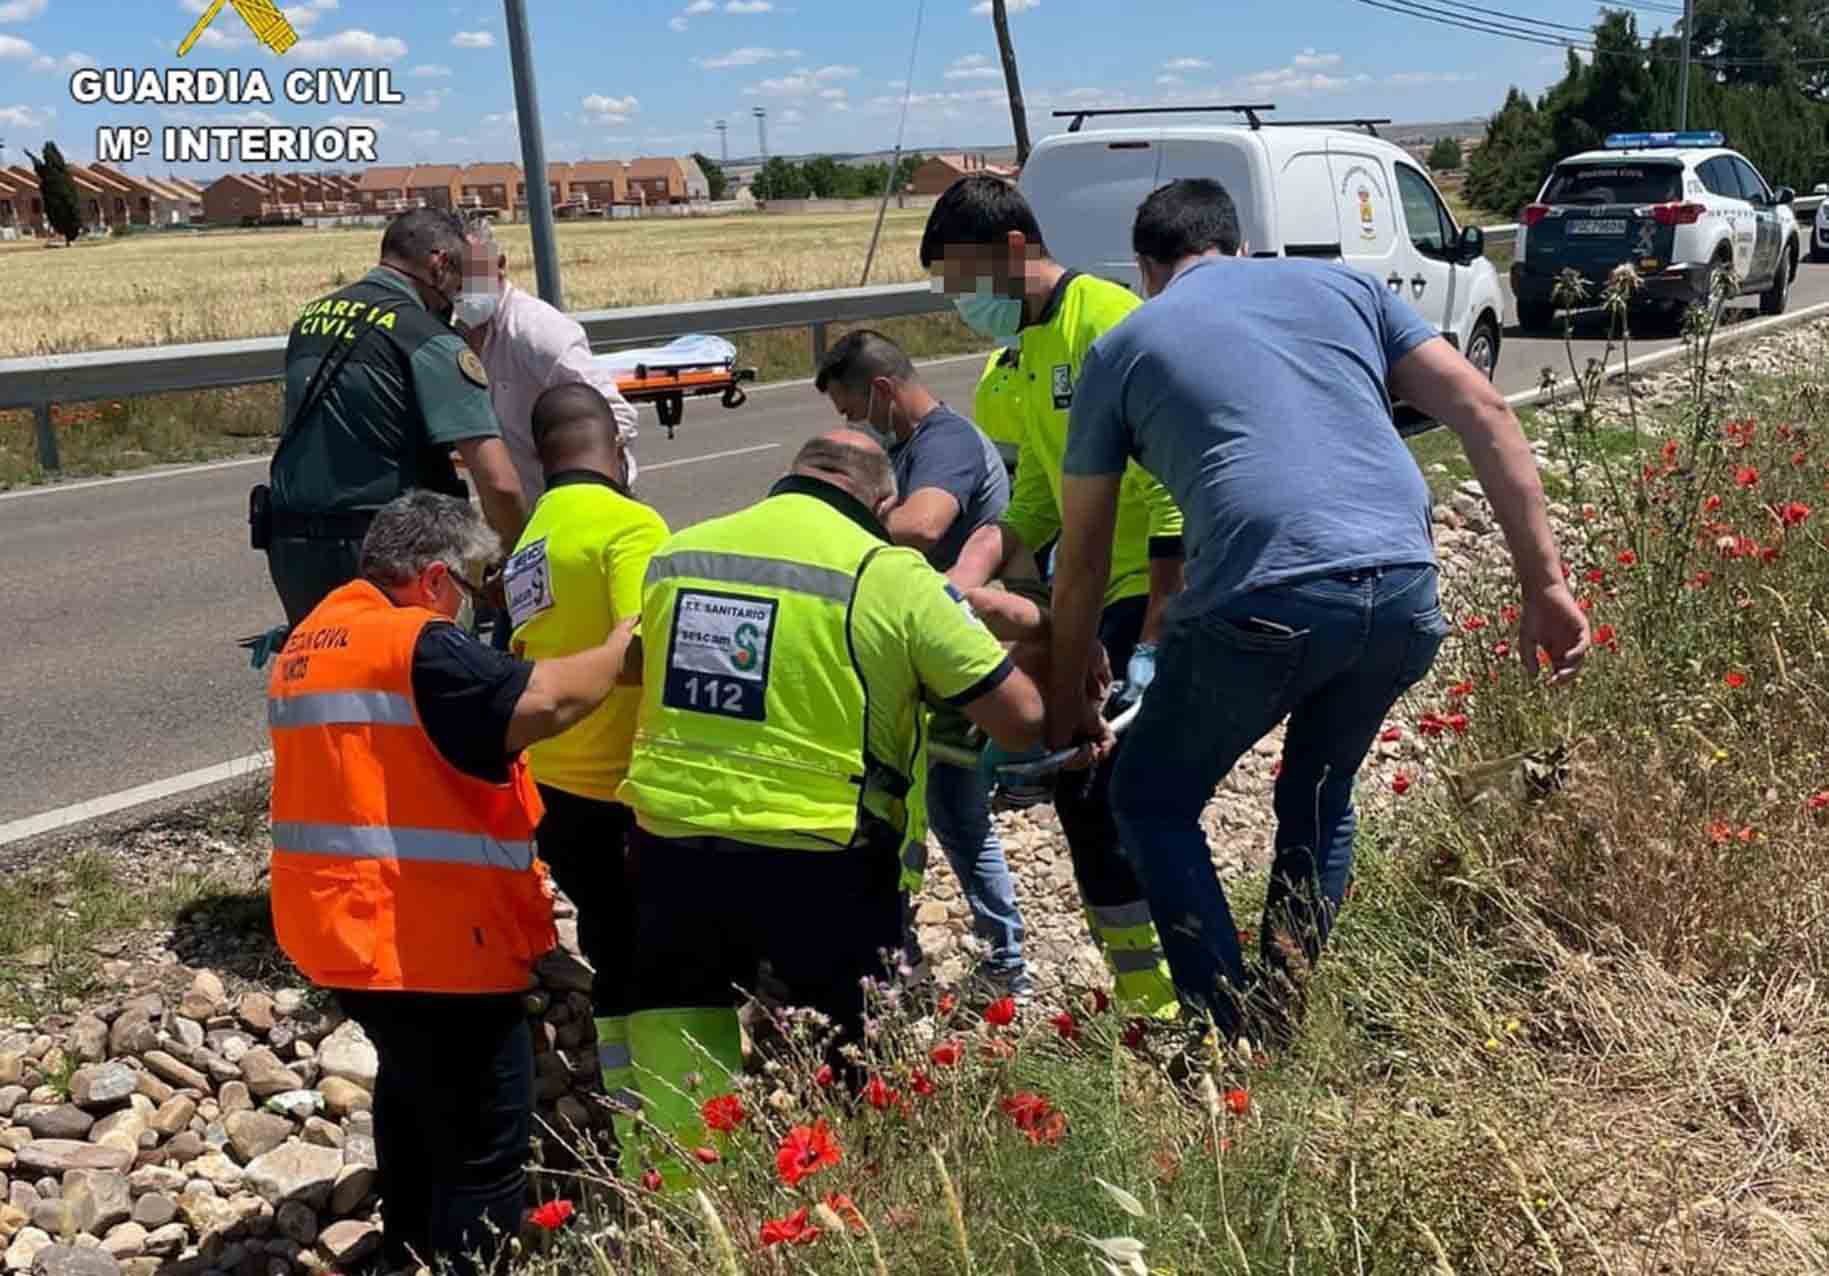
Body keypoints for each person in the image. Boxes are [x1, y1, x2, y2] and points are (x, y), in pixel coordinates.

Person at [1049, 177, 1592, 1048]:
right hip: (1406, 589)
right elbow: (1484, 410)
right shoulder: (1346, 287)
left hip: (1265, 598)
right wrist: (1545, 586)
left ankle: (1229, 1041)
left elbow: (1079, 559)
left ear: (1148, 267)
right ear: (1233, 243)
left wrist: (1069, 688)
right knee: (1318, 789)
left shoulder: (1126, 344)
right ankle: (1285, 1005)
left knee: (1148, 798)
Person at [616, 430, 1049, 1185]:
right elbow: (1017, 720)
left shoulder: (684, 551)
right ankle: (837, 1209)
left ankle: (681, 1208)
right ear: (881, 504)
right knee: (837, 1052)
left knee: (679, 1024)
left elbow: (640, 665)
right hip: (821, 855)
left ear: (793, 478)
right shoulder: (890, 574)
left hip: (670, 844)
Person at [265, 489, 637, 1275]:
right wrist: (620, 642)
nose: (470, 606)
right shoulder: (416, 644)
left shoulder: (316, 636)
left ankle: (407, 1251)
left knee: (411, 1093)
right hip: (433, 942)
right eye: (469, 588)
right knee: (483, 1147)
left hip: (345, 932)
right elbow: (548, 698)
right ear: (434, 578)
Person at [922, 174, 1182, 1018]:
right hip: (1098, 587)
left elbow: (1173, 479)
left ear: (1010, 251)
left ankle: (1170, 993)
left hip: (1158, 583)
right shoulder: (1021, 360)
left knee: (1104, 787)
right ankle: (1149, 992)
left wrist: (1152, 636)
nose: (961, 303)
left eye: (962, 282)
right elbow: (1034, 498)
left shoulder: (1105, 321)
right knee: (1088, 786)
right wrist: (965, 575)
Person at [816, 328, 1033, 1003]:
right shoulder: (911, 445)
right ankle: (923, 954)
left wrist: (823, 529)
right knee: (930, 810)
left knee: (940, 812)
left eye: (853, 411)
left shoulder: (944, 443)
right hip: (928, 659)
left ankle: (1000, 961)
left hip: (959, 661)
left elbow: (919, 527)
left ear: (881, 390)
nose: (854, 426)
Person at [501, 382, 668, 1149]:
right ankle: (669, 1105)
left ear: (541, 454)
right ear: (618, 448)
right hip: (626, 782)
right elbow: (642, 650)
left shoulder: (532, 535)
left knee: (604, 932)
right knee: (660, 945)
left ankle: (621, 1085)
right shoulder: (632, 525)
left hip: (552, 781)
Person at [263, 208, 527, 626]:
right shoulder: (429, 339)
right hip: (390, 555)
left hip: (292, 548)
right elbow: (499, 484)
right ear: (439, 265)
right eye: (458, 280)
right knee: (417, 683)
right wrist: (513, 560)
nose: (458, 296)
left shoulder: (310, 319)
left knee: (326, 681)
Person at [454, 217, 642, 502]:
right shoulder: (453, 338)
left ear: (500, 265)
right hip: (522, 509)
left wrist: (568, 468)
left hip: (584, 504)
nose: (463, 285)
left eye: (472, 272)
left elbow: (618, 417)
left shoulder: (538, 333)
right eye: (455, 274)